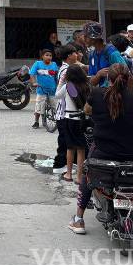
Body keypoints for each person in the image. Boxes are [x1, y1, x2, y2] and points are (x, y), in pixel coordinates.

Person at [69, 64, 133, 239]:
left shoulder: (97, 94)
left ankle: (79, 219)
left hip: (103, 152)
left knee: (86, 175)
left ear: (109, 78)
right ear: (129, 79)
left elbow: (87, 110)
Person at [59, 63, 90, 183]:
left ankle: (68, 174)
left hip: (70, 119)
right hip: (82, 119)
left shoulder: (68, 86)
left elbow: (57, 95)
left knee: (70, 147)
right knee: (81, 149)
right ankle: (79, 177)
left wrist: (61, 82)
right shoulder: (86, 86)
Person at [53, 44, 80, 175]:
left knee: (68, 140)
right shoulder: (66, 71)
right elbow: (59, 92)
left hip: (64, 110)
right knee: (64, 140)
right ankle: (59, 165)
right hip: (64, 111)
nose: (77, 55)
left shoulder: (66, 67)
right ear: (69, 56)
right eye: (75, 53)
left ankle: (70, 163)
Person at [83, 22, 126, 88]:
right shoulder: (92, 55)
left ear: (94, 38)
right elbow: (91, 82)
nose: (84, 39)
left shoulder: (112, 53)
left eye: (86, 36)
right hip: (100, 92)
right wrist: (98, 75)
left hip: (115, 92)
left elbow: (125, 74)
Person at [30, 49, 58, 129]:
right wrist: (34, 83)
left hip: (52, 89)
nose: (49, 57)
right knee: (39, 106)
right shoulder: (38, 64)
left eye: (50, 55)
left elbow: (56, 77)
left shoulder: (54, 64)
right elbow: (31, 74)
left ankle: (57, 121)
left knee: (54, 106)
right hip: (41, 89)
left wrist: (58, 85)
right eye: (47, 55)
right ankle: (36, 121)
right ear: (42, 56)